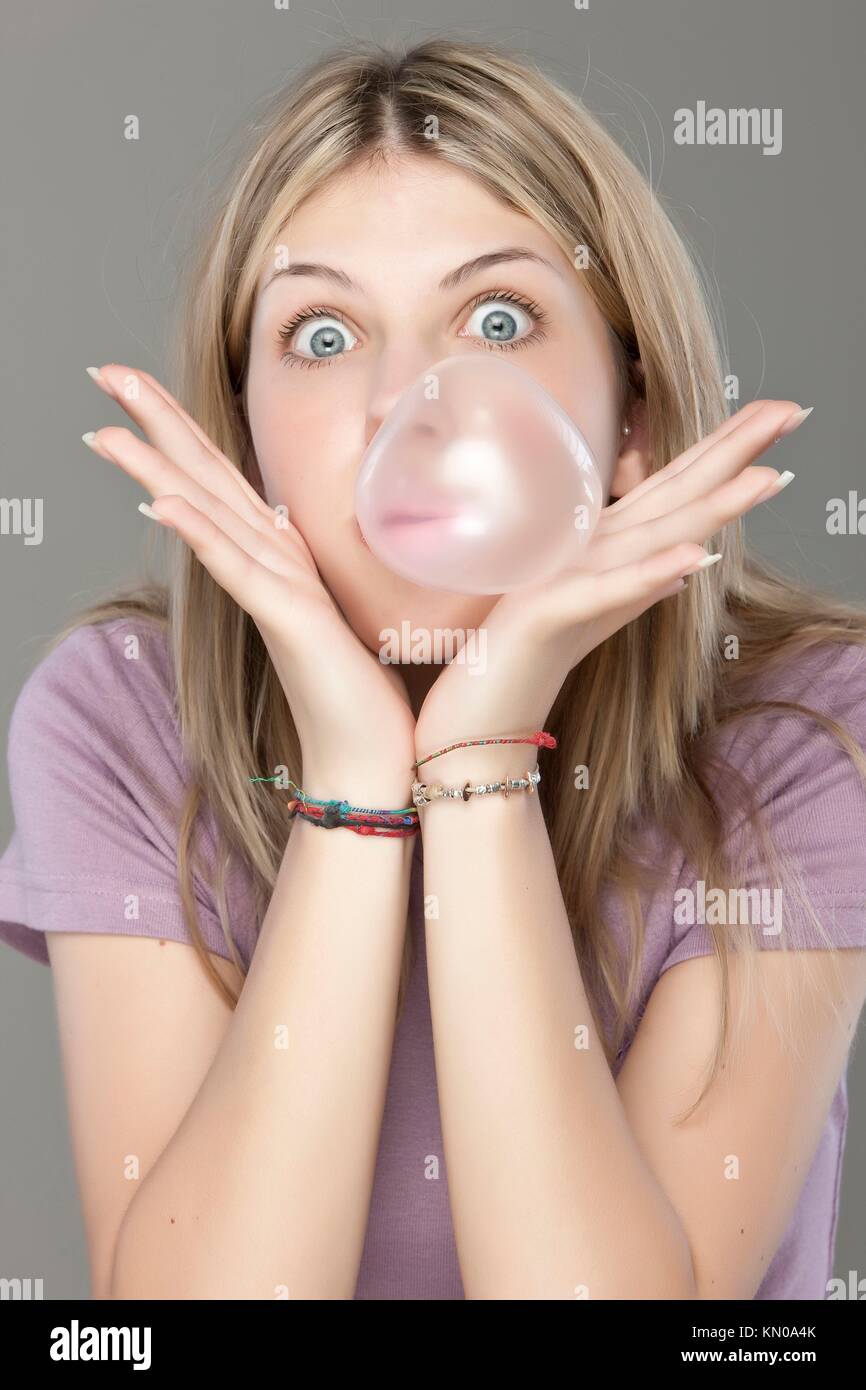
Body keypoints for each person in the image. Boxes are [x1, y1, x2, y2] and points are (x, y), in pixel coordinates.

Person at [2, 37, 866, 1301]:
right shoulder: (122, 711)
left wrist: (476, 759)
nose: (407, 401)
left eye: (497, 319)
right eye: (323, 333)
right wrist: (358, 775)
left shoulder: (805, 722)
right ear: (244, 441)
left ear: (629, 418)